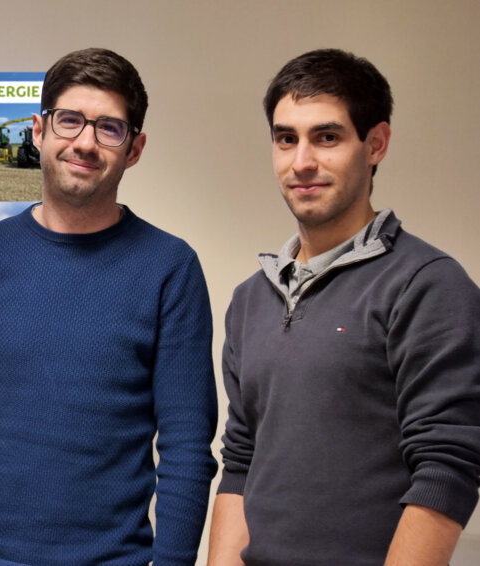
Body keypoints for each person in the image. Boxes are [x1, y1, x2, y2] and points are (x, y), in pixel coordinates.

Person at [0, 48, 217, 566]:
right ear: (39, 131)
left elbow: (187, 446)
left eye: (109, 128)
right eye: (70, 121)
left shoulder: (171, 269)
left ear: (134, 149)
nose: (85, 142)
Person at [207, 48, 480, 566]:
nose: (302, 162)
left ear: (375, 144)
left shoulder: (427, 285)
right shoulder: (251, 299)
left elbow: (448, 467)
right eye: (286, 139)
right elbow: (240, 460)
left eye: (327, 137)